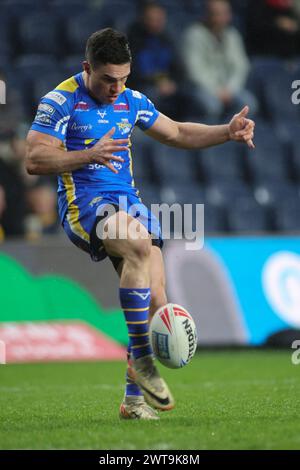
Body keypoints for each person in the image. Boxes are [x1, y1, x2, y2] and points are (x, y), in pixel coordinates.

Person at [26, 28, 255, 420]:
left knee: (156, 304)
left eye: (123, 79)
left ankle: (133, 403)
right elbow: (34, 159)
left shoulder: (131, 101)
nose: (116, 88)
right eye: (107, 80)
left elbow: (179, 132)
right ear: (87, 68)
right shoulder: (60, 102)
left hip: (128, 204)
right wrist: (88, 155)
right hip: (85, 204)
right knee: (136, 245)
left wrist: (225, 132)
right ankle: (143, 361)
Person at [182, 0, 258, 121]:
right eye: (216, 13)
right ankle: (207, 137)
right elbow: (194, 71)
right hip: (202, 88)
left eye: (224, 13)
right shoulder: (194, 34)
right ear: (207, 14)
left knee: (249, 103)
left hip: (229, 88)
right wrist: (216, 91)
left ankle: (230, 136)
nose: (220, 18)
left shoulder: (233, 35)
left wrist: (230, 89)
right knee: (212, 106)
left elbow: (241, 66)